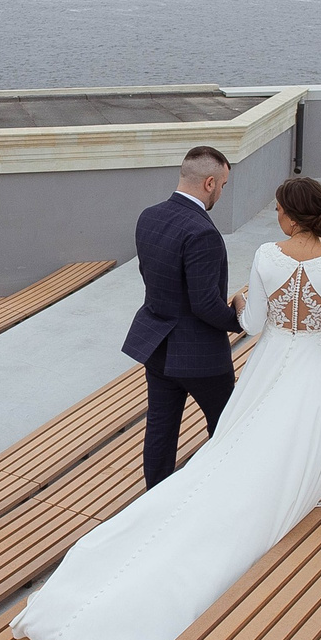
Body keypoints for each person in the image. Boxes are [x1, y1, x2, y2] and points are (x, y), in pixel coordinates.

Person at [10, 175, 321, 640]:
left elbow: (253, 322)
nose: (275, 215)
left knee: (235, 449)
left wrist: (244, 302)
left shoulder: (266, 255)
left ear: (288, 214)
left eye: (278, 207)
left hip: (271, 365)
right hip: (314, 373)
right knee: (292, 447)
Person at [120, 145, 243, 492]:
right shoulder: (203, 233)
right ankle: (224, 492)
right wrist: (238, 318)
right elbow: (205, 304)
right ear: (209, 183)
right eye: (223, 185)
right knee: (226, 426)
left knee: (160, 427)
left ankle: (154, 497)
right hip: (200, 356)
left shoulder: (150, 216)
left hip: (158, 347)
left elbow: (156, 279)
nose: (222, 191)